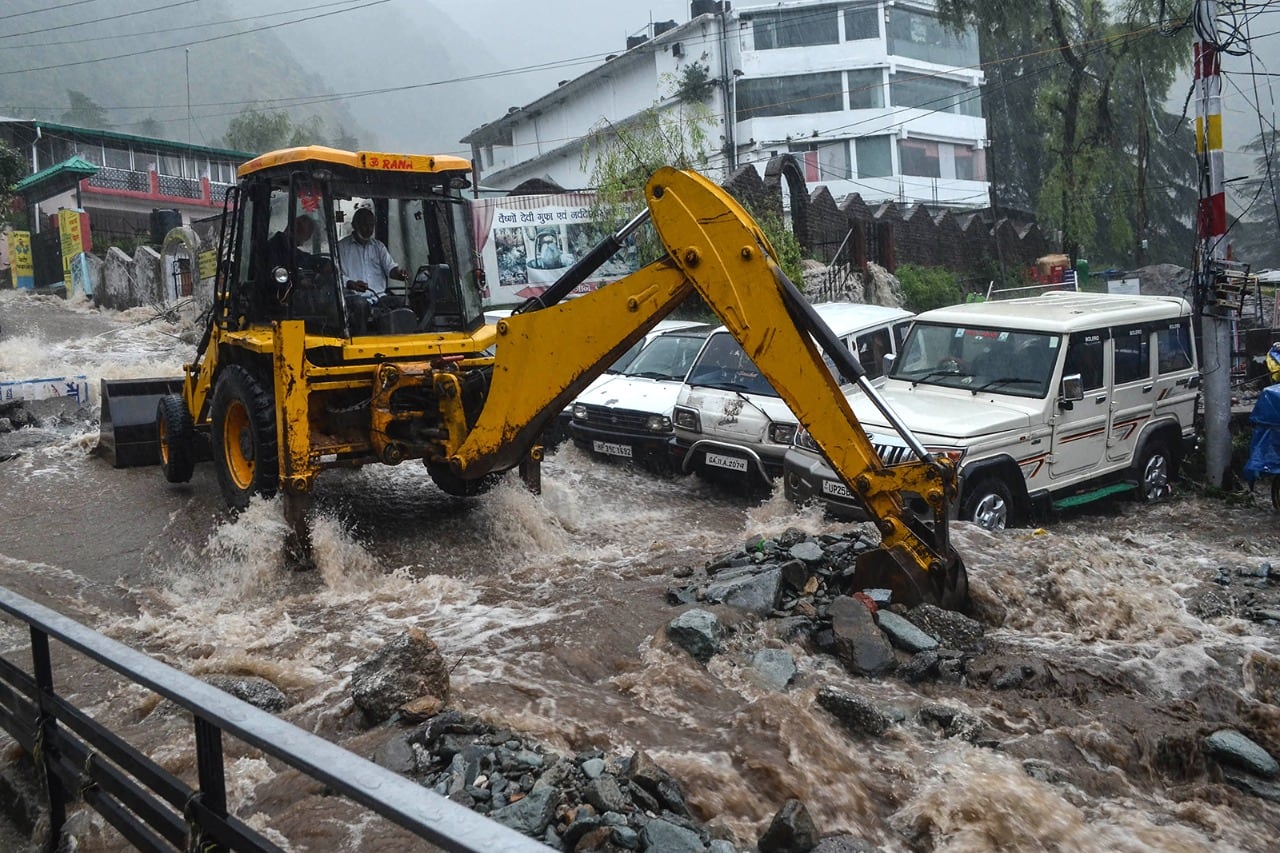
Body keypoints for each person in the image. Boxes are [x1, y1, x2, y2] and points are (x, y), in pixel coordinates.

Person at [338, 207, 408, 332]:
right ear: (355, 225)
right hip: (353, 298)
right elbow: (336, 276)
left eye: (371, 225)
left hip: (379, 297)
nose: (369, 230)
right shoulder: (341, 247)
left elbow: (390, 268)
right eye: (365, 225)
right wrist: (351, 284)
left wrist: (399, 274)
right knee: (360, 305)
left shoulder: (378, 247)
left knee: (404, 302)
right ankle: (361, 342)